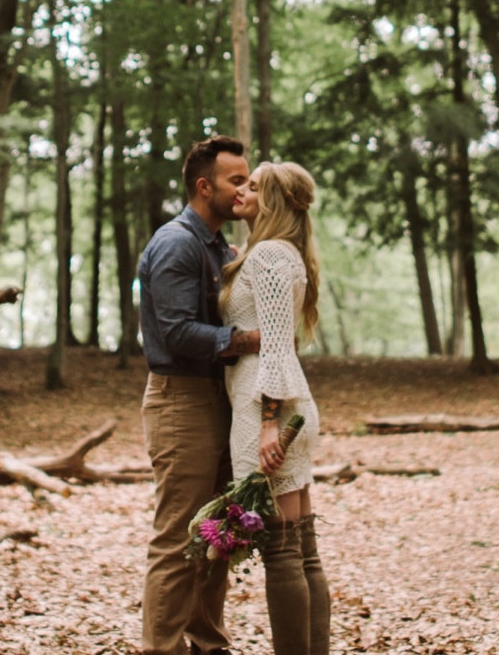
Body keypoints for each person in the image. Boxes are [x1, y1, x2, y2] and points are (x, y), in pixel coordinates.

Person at [138, 135, 259, 655]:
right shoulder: (176, 243)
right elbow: (175, 332)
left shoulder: (216, 246)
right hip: (180, 402)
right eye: (236, 180)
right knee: (175, 540)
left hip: (218, 400)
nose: (244, 190)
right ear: (203, 185)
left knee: (215, 535)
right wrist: (246, 340)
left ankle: (208, 644)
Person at [221, 161, 329, 655]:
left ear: (276, 202)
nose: (242, 190)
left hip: (273, 412)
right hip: (288, 407)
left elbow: (276, 347)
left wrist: (268, 424)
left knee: (283, 553)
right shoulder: (281, 255)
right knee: (302, 551)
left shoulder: (267, 257)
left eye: (254, 186)